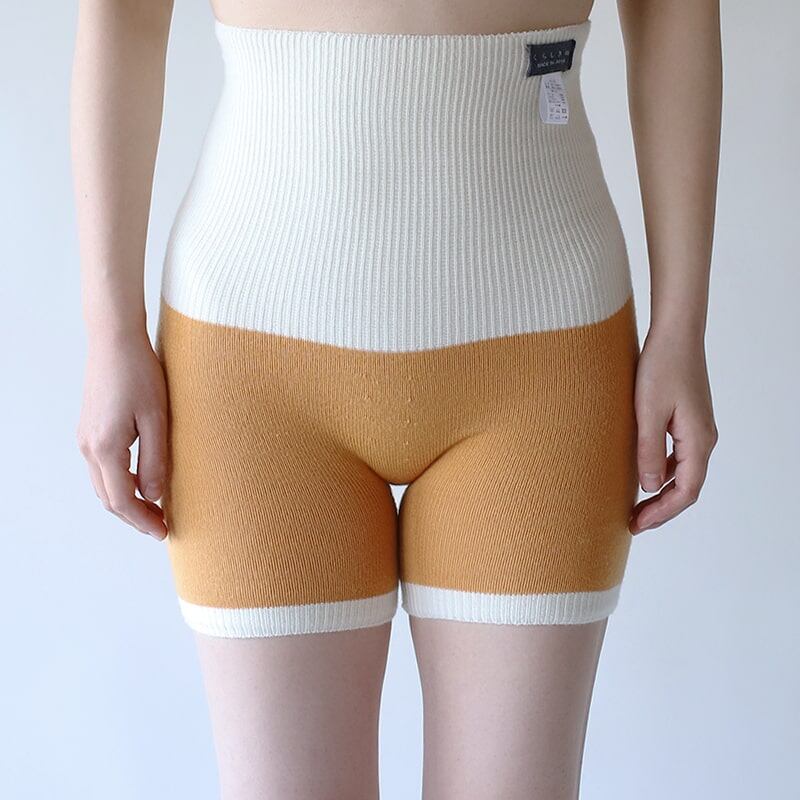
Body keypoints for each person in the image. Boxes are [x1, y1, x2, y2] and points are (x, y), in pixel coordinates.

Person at [71, 0, 720, 797]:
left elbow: (676, 13)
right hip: (251, 360)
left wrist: (682, 326)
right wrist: (111, 329)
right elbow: (122, 18)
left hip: (542, 352)